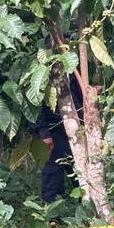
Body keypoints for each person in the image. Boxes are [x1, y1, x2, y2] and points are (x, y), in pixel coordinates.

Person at [33, 74, 83, 203]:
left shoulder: (73, 70)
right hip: (54, 129)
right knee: (53, 173)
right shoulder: (45, 74)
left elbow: (78, 95)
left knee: (80, 169)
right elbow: (35, 106)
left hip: (76, 127)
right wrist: (44, 133)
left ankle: (86, 209)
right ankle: (53, 215)